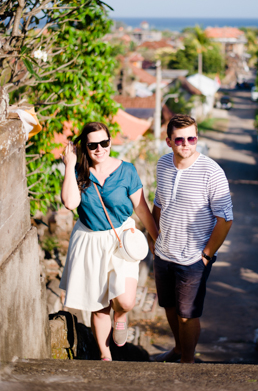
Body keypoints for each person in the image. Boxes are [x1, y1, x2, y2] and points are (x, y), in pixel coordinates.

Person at [59, 122, 159, 361]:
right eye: (92, 145)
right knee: (99, 304)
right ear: (84, 147)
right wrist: (70, 164)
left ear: (110, 142)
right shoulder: (78, 173)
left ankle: (121, 316)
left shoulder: (126, 170)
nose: (99, 149)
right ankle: (105, 356)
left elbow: (143, 210)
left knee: (125, 300)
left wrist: (157, 239)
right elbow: (70, 203)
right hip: (90, 242)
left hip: (121, 239)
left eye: (104, 143)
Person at [152, 114, 233, 364]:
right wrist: (154, 238)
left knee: (187, 315)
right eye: (179, 139)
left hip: (193, 258)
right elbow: (159, 203)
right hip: (164, 253)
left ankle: (187, 363)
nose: (186, 143)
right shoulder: (163, 165)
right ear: (169, 141)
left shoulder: (212, 172)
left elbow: (225, 219)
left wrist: (206, 255)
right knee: (169, 307)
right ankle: (178, 349)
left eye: (192, 138)